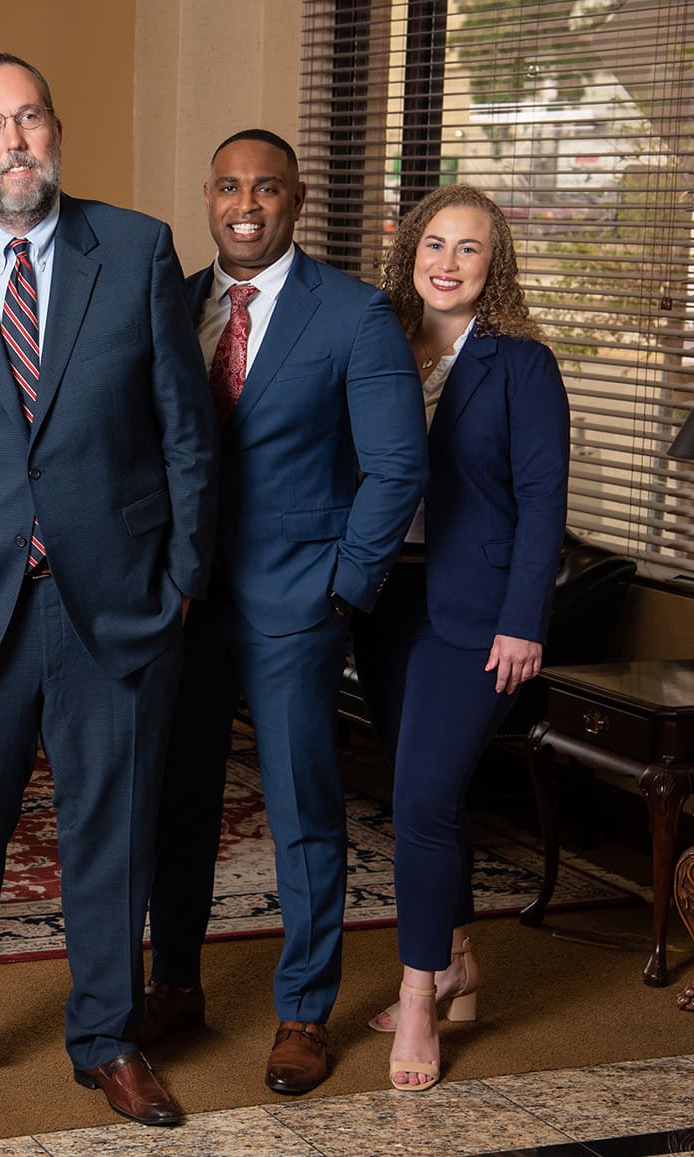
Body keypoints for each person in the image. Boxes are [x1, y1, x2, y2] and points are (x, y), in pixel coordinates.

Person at [0, 52, 216, 1127]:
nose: (13, 142)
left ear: (54, 131)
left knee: (111, 832)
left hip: (112, 603)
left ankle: (105, 1036)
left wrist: (184, 578)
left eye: (29, 120)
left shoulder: (138, 249)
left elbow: (185, 435)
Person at [140, 129, 428, 1096]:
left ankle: (304, 1011)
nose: (246, 202)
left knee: (304, 811)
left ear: (296, 197)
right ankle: (175, 982)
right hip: (182, 601)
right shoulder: (172, 303)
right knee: (177, 803)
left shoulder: (354, 313)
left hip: (297, 601)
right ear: (208, 195)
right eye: (228, 185)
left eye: (266, 186)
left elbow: (397, 466)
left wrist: (344, 585)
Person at [356, 183, 569, 1091]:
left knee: (422, 799)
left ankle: (417, 998)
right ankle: (459, 961)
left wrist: (525, 618)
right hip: (384, 601)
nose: (446, 261)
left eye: (469, 248)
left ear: (495, 265)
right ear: (410, 251)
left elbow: (543, 502)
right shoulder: (378, 344)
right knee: (419, 797)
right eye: (433, 243)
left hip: (476, 614)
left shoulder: (522, 363)